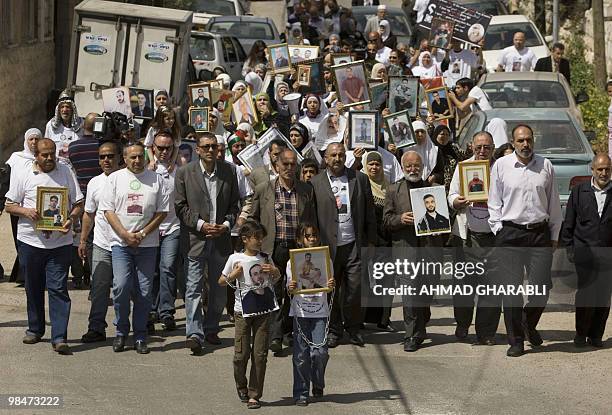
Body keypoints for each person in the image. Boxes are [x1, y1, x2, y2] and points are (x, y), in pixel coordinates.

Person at [488, 124, 562, 357]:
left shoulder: (545, 165)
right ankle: (516, 340)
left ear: (534, 140)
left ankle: (528, 323)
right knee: (511, 291)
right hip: (510, 233)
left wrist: (554, 235)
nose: (525, 144)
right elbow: (494, 202)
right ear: (513, 142)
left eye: (528, 140)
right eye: (520, 141)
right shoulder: (501, 165)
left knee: (542, 289)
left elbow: (553, 203)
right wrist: (498, 228)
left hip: (539, 234)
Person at [5, 138, 84, 354]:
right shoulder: (24, 173)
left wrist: (72, 219)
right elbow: (9, 205)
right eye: (44, 155)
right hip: (30, 242)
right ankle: (35, 329)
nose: (49, 158)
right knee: (33, 286)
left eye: (52, 154)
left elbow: (78, 203)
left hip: (60, 244)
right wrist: (27, 212)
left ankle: (59, 337)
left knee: (58, 288)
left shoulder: (66, 171)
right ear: (36, 155)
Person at [100, 142, 169, 354]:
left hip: (147, 244)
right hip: (121, 243)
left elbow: (162, 212)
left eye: (140, 157)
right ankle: (121, 331)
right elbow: (108, 210)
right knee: (120, 287)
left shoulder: (157, 180)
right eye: (133, 157)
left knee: (144, 291)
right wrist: (124, 234)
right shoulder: (114, 179)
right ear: (125, 158)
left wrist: (143, 233)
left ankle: (140, 335)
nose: (137, 161)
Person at [174, 133, 240, 353]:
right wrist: (201, 225)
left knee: (219, 288)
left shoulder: (229, 171)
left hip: (220, 238)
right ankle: (194, 333)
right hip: (195, 238)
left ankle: (211, 327)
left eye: (214, 146)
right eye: (206, 147)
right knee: (193, 287)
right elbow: (180, 206)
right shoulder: (184, 173)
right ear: (198, 150)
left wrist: (226, 225)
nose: (211, 150)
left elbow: (235, 206)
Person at [249, 149, 317, 353]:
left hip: (297, 248)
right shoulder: (264, 189)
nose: (289, 168)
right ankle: (275, 336)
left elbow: (311, 220)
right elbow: (253, 218)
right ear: (276, 166)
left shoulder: (306, 189)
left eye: (292, 164)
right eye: (284, 164)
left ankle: (290, 332)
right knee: (275, 291)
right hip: (274, 247)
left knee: (295, 289)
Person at [310, 143, 377, 347]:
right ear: (326, 159)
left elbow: (370, 213)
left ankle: (354, 328)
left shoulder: (360, 178)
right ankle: (334, 330)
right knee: (330, 290)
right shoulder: (315, 182)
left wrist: (371, 242)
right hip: (327, 246)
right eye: (333, 155)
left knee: (355, 289)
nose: (337, 158)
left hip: (353, 244)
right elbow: (311, 216)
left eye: (340, 155)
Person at [218, 220, 281, 409]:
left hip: (263, 311)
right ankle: (241, 385)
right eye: (256, 238)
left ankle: (255, 394)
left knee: (260, 354)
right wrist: (232, 275)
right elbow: (221, 281)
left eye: (262, 237)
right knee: (241, 354)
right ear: (245, 239)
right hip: (242, 312)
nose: (260, 241)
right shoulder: (235, 258)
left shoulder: (266, 257)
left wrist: (275, 271)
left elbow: (277, 278)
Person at [383, 151, 440, 352]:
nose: (413, 169)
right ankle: (411, 335)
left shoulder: (433, 189)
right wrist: (400, 219)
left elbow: (443, 218)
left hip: (430, 250)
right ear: (402, 166)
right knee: (409, 295)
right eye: (409, 166)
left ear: (422, 166)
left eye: (416, 166)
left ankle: (421, 324)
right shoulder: (393, 190)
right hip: (405, 249)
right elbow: (386, 220)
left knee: (425, 293)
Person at [448, 132, 500, 344]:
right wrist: (457, 202)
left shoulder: (500, 168)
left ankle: (486, 332)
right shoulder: (463, 167)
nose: (482, 151)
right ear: (471, 146)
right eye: (478, 147)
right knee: (463, 286)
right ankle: (462, 324)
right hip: (466, 237)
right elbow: (451, 195)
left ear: (493, 148)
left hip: (493, 238)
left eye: (486, 147)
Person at [561, 154, 612, 348]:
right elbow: (569, 222)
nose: (604, 173)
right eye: (600, 169)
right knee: (586, 294)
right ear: (592, 169)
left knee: (603, 295)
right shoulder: (579, 191)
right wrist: (569, 249)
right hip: (584, 251)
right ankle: (581, 333)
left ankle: (596, 335)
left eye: (607, 169)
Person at [287, 223, 335, 406]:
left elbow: (327, 285)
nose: (312, 239)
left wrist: (330, 285)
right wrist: (290, 287)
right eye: (308, 236)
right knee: (300, 356)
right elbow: (290, 288)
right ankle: (301, 392)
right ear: (301, 240)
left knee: (320, 353)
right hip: (300, 313)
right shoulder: (293, 261)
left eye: (314, 235)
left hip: (320, 313)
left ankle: (318, 382)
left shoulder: (325, 259)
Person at [78, 141, 121, 343]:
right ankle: (96, 327)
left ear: (119, 157)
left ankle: (137, 325)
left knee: (127, 288)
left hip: (126, 245)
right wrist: (83, 240)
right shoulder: (94, 182)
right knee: (98, 288)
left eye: (110, 156)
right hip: (101, 244)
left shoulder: (127, 179)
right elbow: (89, 214)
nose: (106, 160)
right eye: (102, 157)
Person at [150, 132, 181, 331]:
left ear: (173, 149)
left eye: (167, 148)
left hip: (172, 226)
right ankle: (151, 308)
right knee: (152, 271)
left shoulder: (180, 171)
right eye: (160, 148)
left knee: (168, 267)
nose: (164, 152)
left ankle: (167, 311)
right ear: (153, 148)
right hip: (151, 228)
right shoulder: (146, 170)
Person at [361, 151, 394, 332]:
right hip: (366, 241)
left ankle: (383, 319)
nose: (374, 167)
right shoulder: (361, 184)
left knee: (385, 280)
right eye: (371, 164)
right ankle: (363, 318)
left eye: (377, 164)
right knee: (365, 281)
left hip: (386, 241)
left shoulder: (390, 187)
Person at [6, 128, 42, 283]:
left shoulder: (47, 158)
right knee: (20, 238)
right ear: (26, 141)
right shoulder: (16, 158)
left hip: (38, 206)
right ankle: (24, 274)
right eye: (31, 139)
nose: (34, 142)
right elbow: (6, 177)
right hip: (18, 205)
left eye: (36, 139)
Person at [68, 113, 103, 195]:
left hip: (81, 191)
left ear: (83, 125)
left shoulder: (73, 146)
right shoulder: (105, 146)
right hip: (102, 191)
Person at [45, 91, 83, 162]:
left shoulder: (81, 124)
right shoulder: (51, 125)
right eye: (62, 107)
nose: (64, 110)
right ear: (58, 109)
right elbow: (46, 146)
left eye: (67, 107)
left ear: (72, 109)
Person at [145, 105, 181, 171]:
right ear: (161, 119)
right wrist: (152, 160)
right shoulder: (153, 129)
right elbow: (148, 145)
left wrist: (172, 162)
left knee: (182, 161)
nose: (171, 120)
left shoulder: (175, 130)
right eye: (168, 119)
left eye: (173, 118)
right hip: (154, 155)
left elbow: (176, 147)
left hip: (171, 155)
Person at [412, 120, 444, 185]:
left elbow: (441, 172)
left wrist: (435, 177)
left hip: (430, 187)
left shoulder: (435, 151)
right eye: (417, 132)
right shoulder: (405, 151)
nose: (420, 134)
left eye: (422, 132)